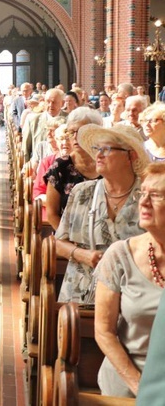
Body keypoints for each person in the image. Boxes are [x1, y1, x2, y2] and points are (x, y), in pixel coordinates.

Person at [54, 124, 148, 304]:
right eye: (97, 149)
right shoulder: (82, 192)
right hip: (82, 296)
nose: (98, 155)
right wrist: (84, 255)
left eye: (107, 149)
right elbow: (59, 243)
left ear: (131, 155)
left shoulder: (147, 197)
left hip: (131, 300)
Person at [95, 163, 165, 397]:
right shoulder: (120, 255)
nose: (143, 202)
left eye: (155, 195)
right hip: (128, 385)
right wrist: (142, 388)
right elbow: (104, 331)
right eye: (142, 193)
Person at [44, 107, 103, 230]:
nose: (75, 137)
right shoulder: (61, 166)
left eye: (81, 131)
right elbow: (52, 214)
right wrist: (69, 241)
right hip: (68, 238)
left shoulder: (107, 163)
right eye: (71, 132)